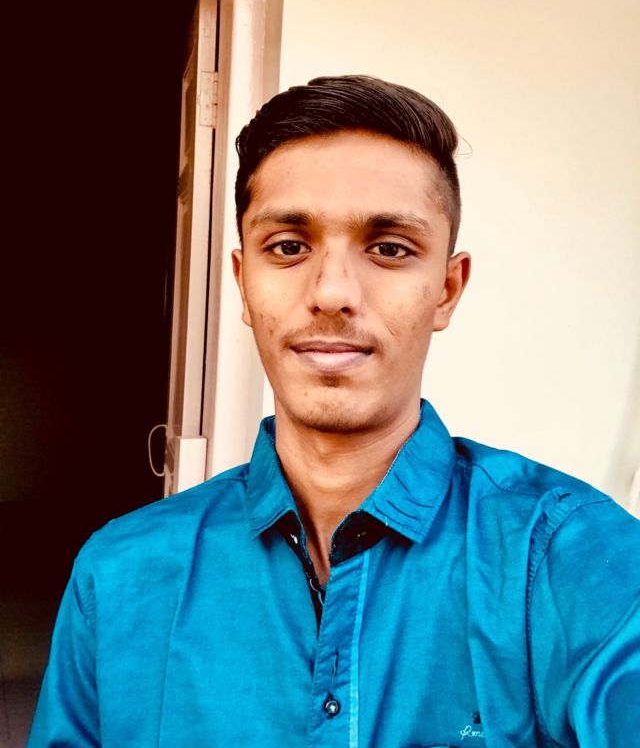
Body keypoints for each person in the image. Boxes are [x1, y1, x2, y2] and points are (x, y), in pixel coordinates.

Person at [29, 76, 640, 748]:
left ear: (447, 288)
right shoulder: (119, 575)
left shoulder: (569, 558)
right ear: (243, 282)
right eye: (289, 246)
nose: (331, 292)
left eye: (389, 248)